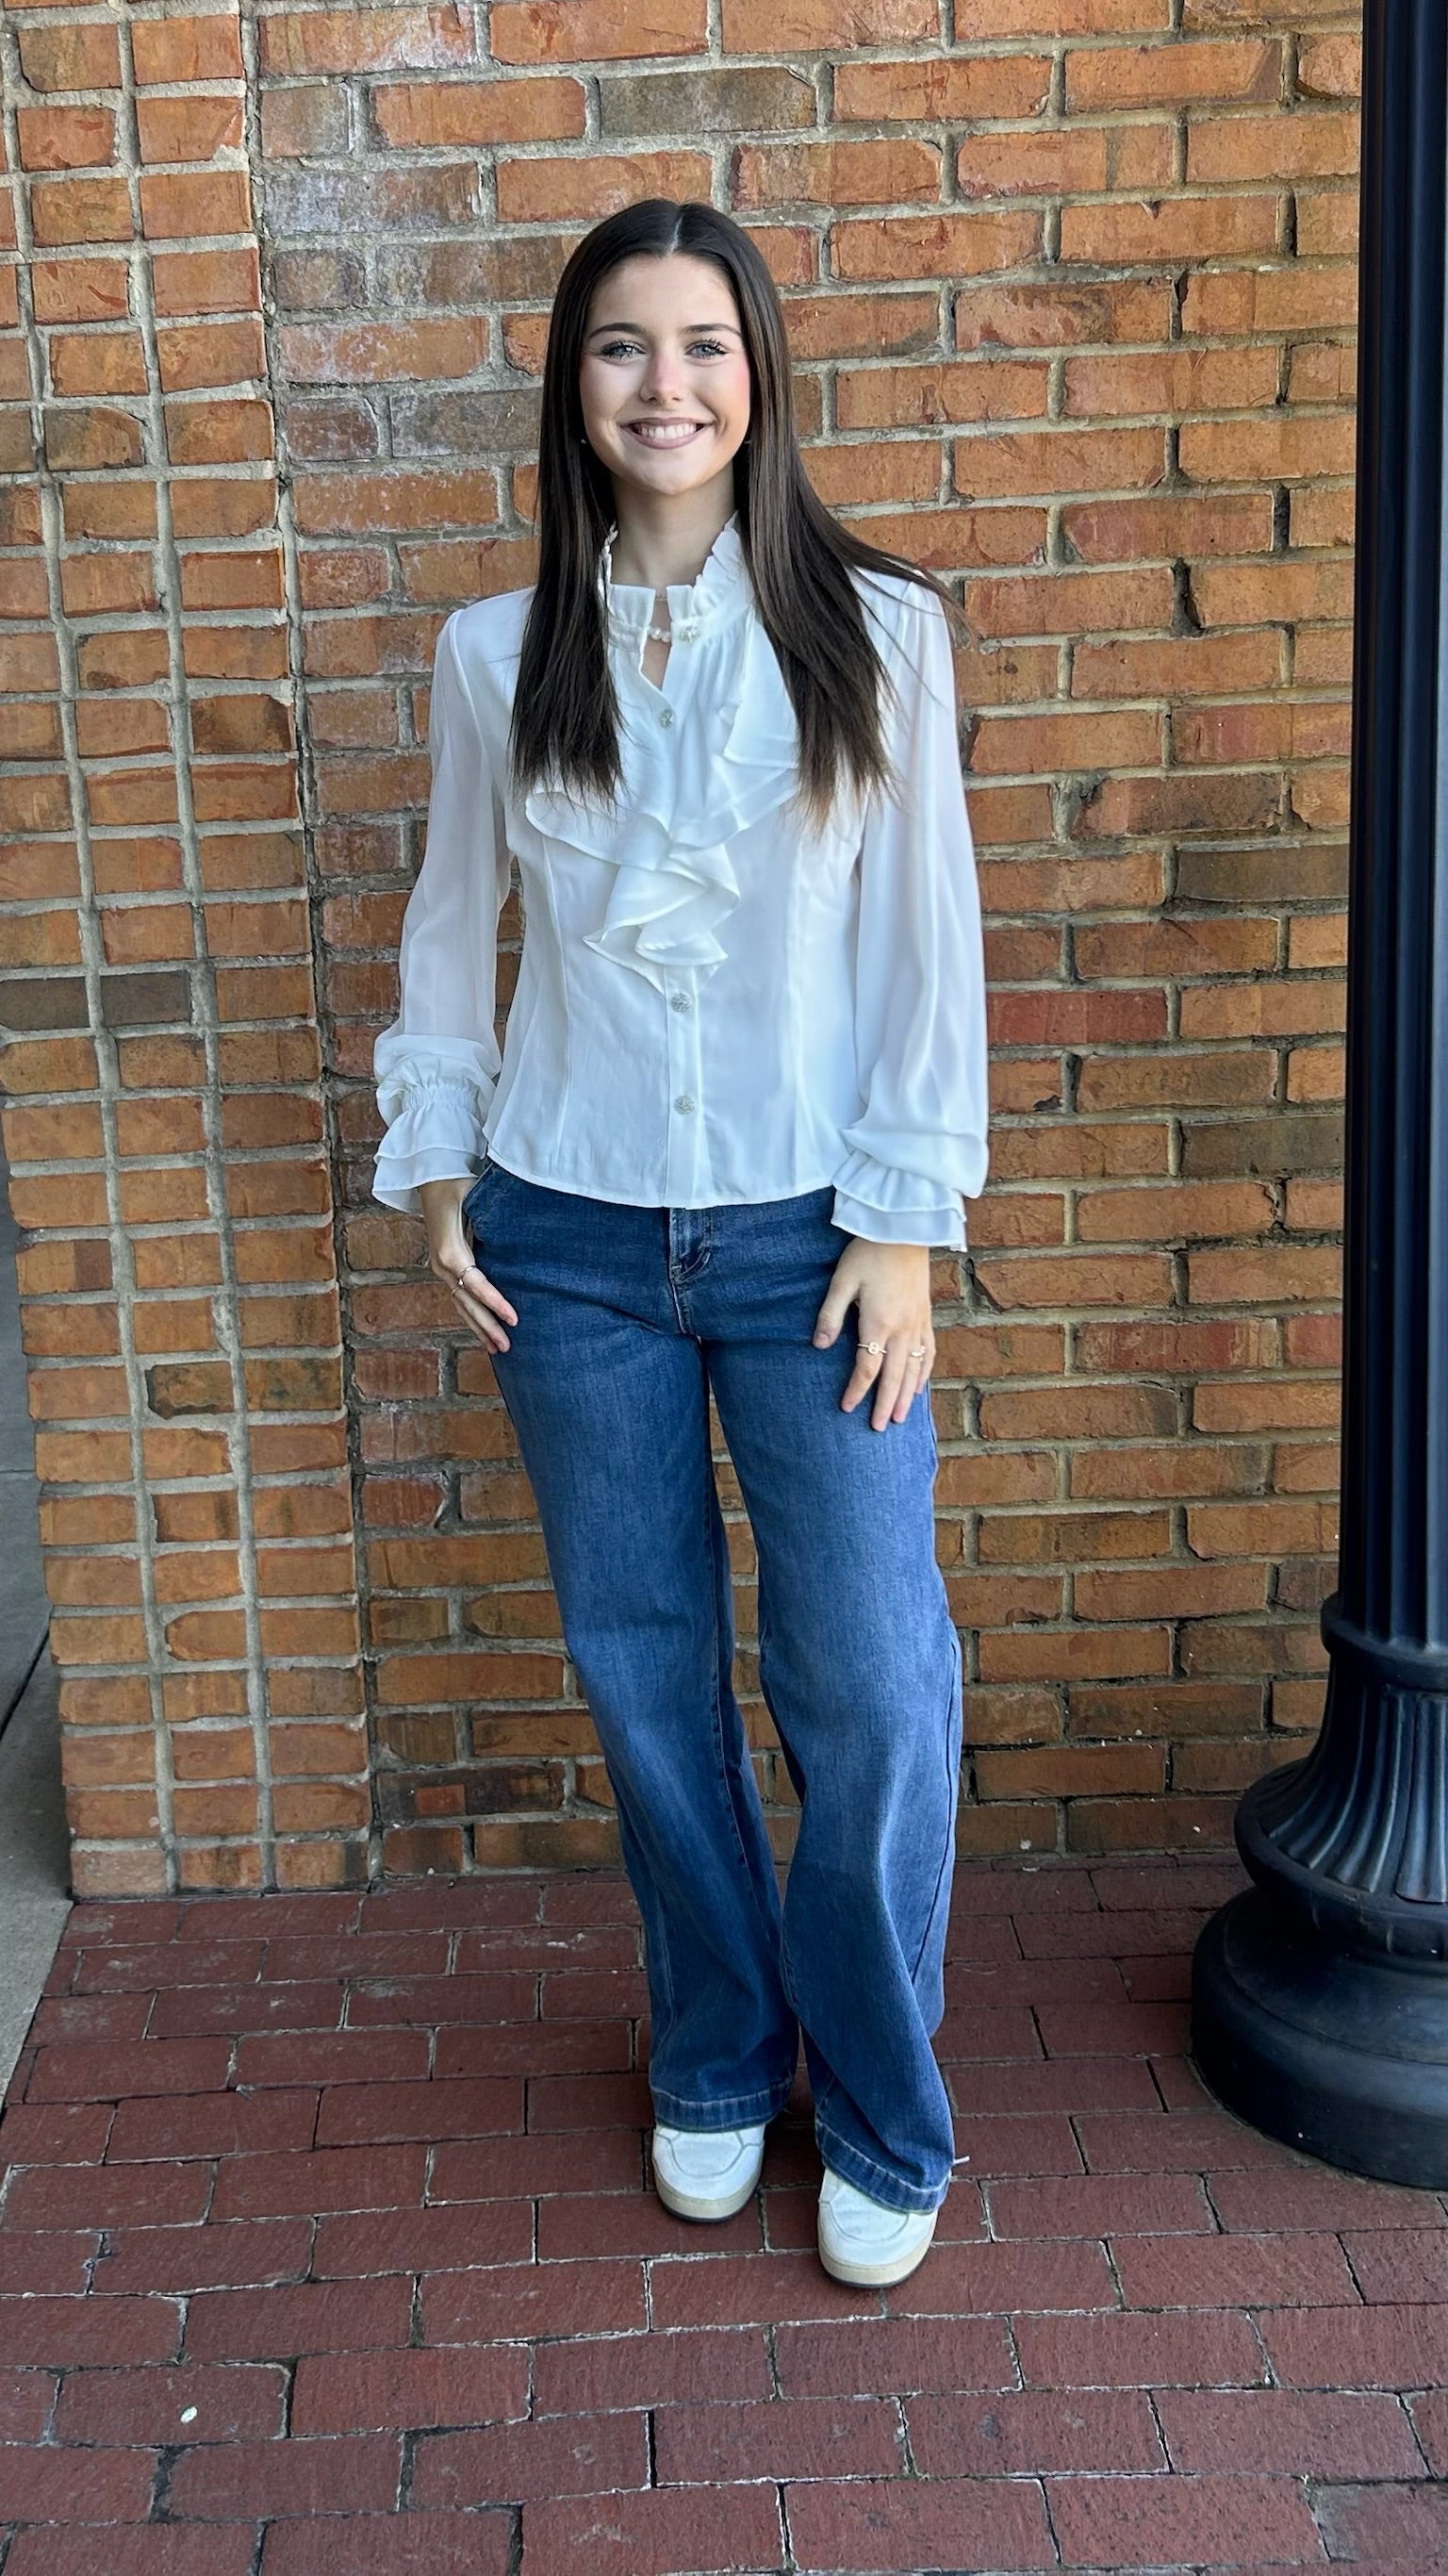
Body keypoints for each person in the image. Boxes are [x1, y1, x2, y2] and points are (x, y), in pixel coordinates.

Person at [371, 199, 989, 2288]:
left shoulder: (877, 634)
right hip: (569, 1237)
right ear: (574, 385)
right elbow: (452, 929)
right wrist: (440, 1175)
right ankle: (718, 2050)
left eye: (704, 342)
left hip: (819, 1236)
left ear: (760, 371)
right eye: (623, 346)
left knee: (871, 1676)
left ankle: (883, 2096)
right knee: (646, 1678)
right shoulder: (494, 654)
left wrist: (906, 1228)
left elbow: (925, 953)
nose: (667, 384)